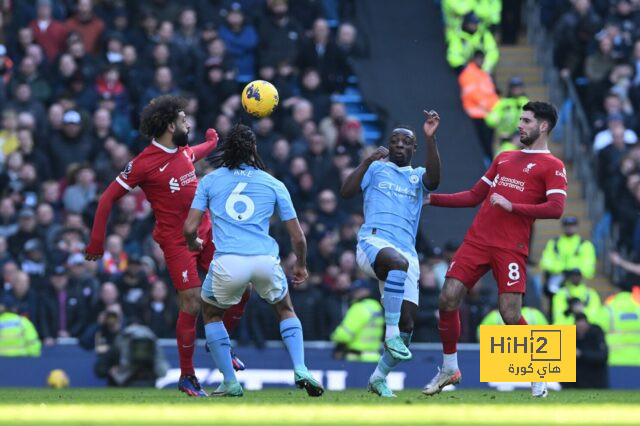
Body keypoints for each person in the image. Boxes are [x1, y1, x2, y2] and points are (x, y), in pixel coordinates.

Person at [85, 95, 249, 397]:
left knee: (243, 286)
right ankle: (188, 376)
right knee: (192, 303)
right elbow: (107, 198)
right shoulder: (143, 164)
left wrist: (212, 143)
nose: (189, 123)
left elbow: (192, 153)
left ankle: (224, 349)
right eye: (184, 119)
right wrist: (97, 240)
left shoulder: (182, 150)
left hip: (208, 231)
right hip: (177, 242)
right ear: (171, 125)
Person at [423, 101, 567, 398]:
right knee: (447, 298)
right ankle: (450, 368)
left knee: (510, 315)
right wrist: (431, 200)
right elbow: (474, 196)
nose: (520, 125)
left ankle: (540, 368)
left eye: (526, 121)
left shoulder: (553, 166)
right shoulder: (504, 157)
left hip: (510, 247)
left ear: (543, 126)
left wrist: (512, 206)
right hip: (477, 240)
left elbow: (556, 208)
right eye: (521, 120)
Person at [183, 124, 324, 398]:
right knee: (285, 309)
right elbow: (298, 237)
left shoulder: (210, 181)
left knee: (212, 314)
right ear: (254, 150)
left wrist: (194, 243)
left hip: (228, 263)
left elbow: (190, 228)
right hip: (264, 260)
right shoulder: (273, 183)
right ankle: (301, 368)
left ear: (226, 150)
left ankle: (230, 382)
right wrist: (301, 265)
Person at [340, 110, 441, 397]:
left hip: (406, 252)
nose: (399, 145)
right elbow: (346, 191)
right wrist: (367, 159)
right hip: (372, 243)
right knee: (396, 267)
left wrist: (431, 138)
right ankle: (390, 333)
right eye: (394, 140)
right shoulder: (375, 169)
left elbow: (434, 180)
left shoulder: (418, 177)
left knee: (408, 327)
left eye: (405, 142)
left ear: (413, 148)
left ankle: (378, 377)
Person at [330, 280, 384, 362]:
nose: (354, 293)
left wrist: (334, 336)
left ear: (366, 291)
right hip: (374, 356)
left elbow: (343, 335)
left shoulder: (358, 307)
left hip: (357, 358)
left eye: (357, 291)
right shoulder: (376, 306)